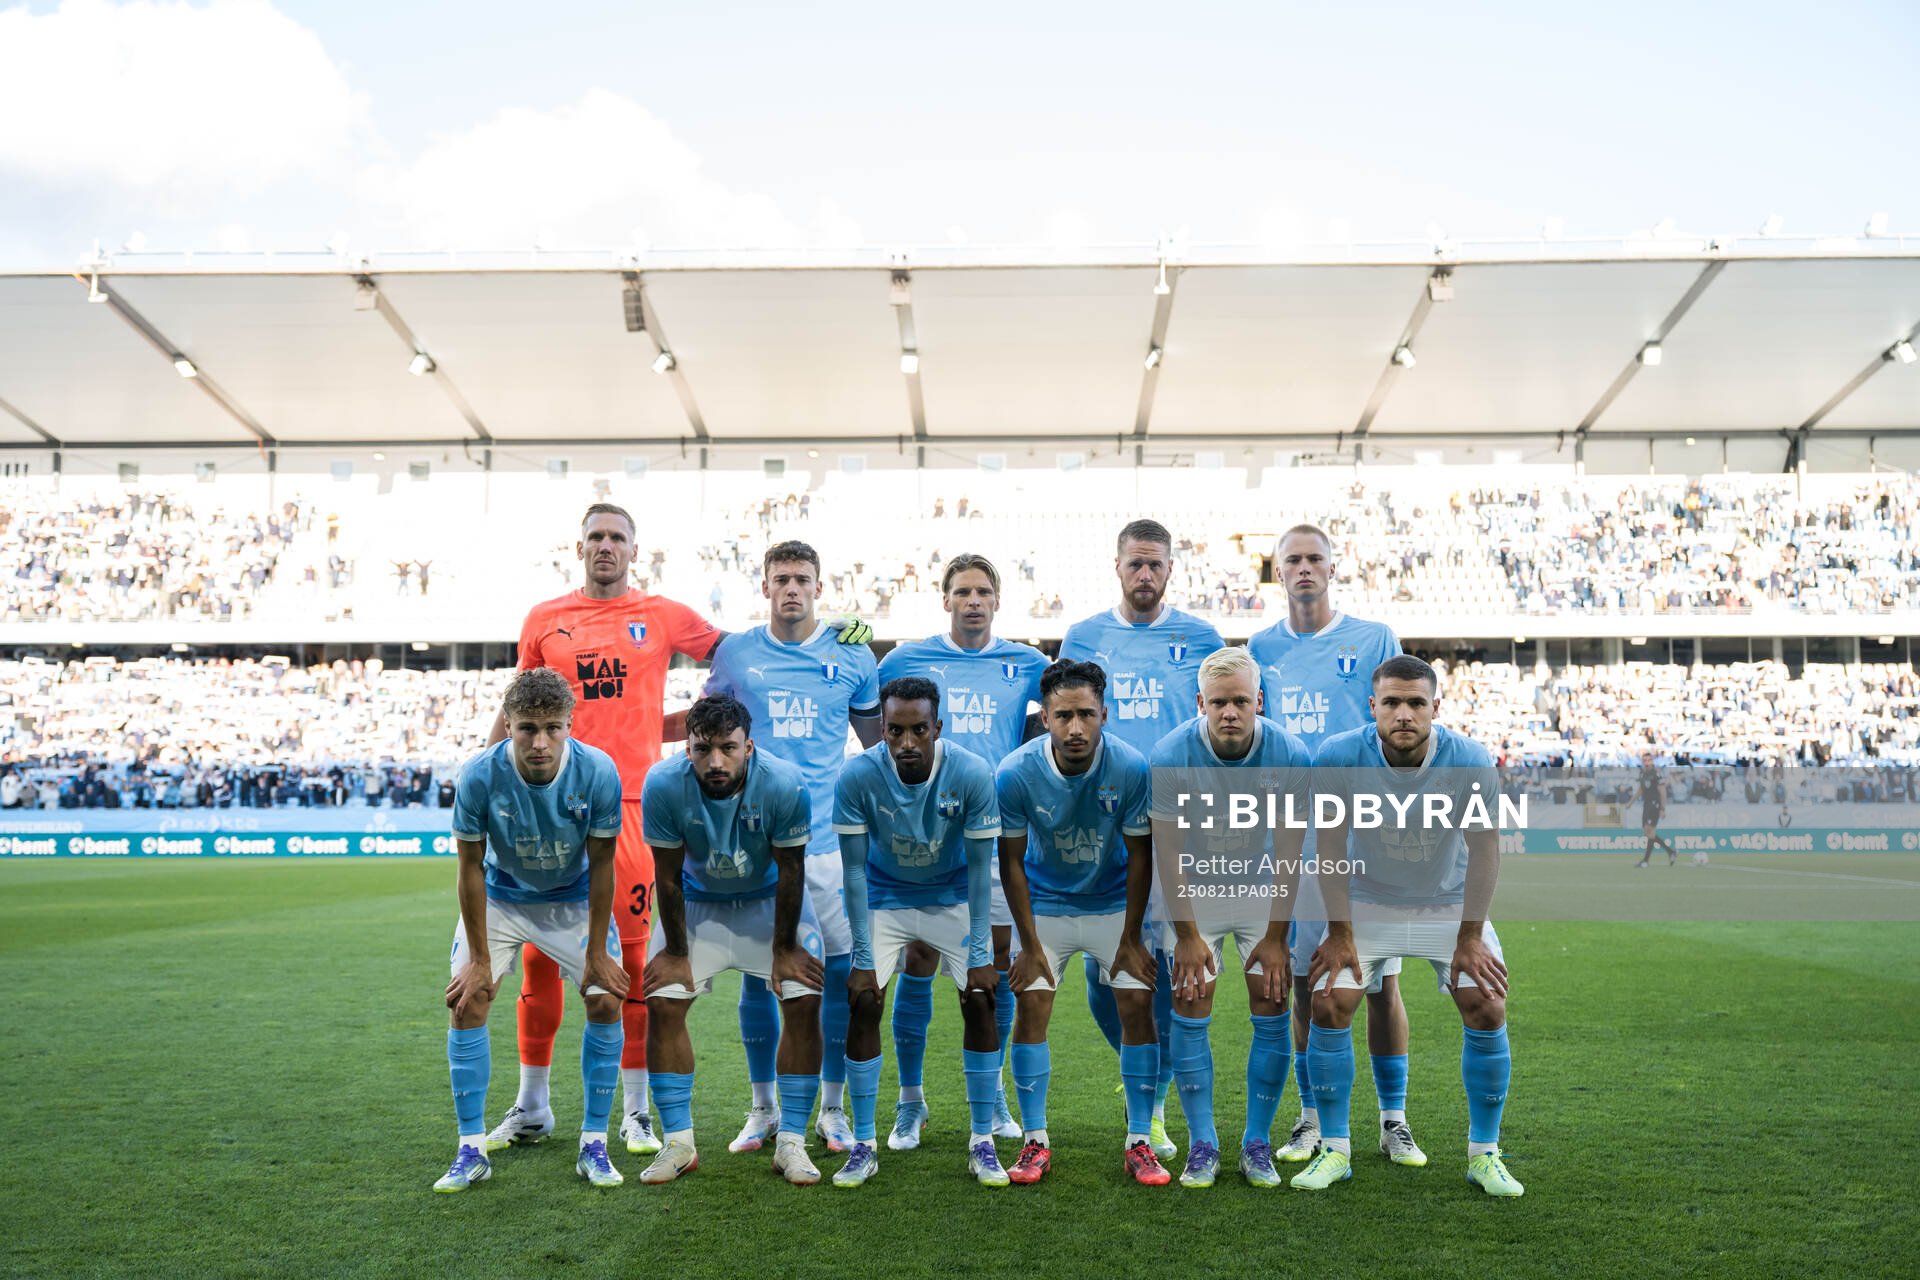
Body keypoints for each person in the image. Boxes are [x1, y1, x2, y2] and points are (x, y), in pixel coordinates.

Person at [486, 509, 874, 1159]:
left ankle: (638, 1112)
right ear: (578, 547)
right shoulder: (542, 618)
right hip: (552, 805)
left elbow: (748, 652)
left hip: (637, 806)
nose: (606, 547)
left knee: (639, 962)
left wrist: (831, 631)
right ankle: (532, 1104)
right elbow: (518, 706)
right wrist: (488, 768)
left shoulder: (665, 615)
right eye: (596, 538)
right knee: (539, 960)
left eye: (617, 538)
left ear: (637, 549)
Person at [1295, 654, 1522, 1197]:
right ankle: (1335, 1148)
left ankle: (1484, 1155)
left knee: (1487, 1002)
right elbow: (1328, 848)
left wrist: (1469, 937)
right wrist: (1341, 933)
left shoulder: (1468, 758)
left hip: (1445, 904)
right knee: (1328, 998)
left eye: (1416, 703)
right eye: (1392, 703)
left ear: (1435, 708)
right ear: (1372, 707)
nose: (1404, 714)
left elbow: (1486, 850)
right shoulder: (1338, 756)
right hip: (1368, 900)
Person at [1247, 523, 1420, 1167]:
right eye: (1292, 560)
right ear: (1278, 572)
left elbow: (1399, 722)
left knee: (1379, 984)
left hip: (1364, 835)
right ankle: (1312, 1117)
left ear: (1333, 567)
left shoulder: (1373, 637)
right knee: (1301, 981)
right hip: (1288, 831)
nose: (1304, 569)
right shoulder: (1260, 645)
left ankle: (1393, 1118)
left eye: (1315, 558)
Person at [705, 540, 882, 1156]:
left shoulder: (853, 653)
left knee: (834, 976)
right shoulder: (736, 653)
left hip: (829, 843)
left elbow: (877, 748)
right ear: (764, 586)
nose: (791, 589)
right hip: (754, 845)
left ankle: (831, 1109)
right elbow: (709, 742)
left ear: (819, 586)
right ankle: (763, 1108)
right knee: (759, 978)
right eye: (780, 578)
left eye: (802, 579)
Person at [1059, 518, 1225, 1159]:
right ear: (1118, 566)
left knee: (1172, 966)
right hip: (1105, 822)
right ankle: (1148, 1079)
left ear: (1171, 569)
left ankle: (1149, 1107)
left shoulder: (1202, 637)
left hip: (1181, 824)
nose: (1146, 575)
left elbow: (1222, 723)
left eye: (1156, 564)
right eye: (1136, 564)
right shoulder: (1084, 637)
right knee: (1107, 974)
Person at [875, 553, 1047, 1147]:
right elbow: (881, 728)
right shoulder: (905, 659)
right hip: (922, 835)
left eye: (983, 591)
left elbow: (1042, 725)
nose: (973, 600)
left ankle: (992, 1094)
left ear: (997, 600)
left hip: (992, 836)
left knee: (992, 970)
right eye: (962, 591)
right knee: (918, 963)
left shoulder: (1025, 663)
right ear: (944, 599)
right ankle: (911, 1101)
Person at [434, 669, 629, 1192]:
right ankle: (469, 1149)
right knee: (468, 1000)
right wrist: (478, 958)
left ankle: (595, 1142)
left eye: (552, 728)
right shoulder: (478, 774)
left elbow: (604, 863)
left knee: (606, 999)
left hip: (572, 899)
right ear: (509, 724)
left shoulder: (598, 771)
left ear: (570, 723)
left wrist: (595, 951)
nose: (539, 742)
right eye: (526, 729)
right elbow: (469, 866)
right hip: (502, 897)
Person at [638, 695, 828, 1186]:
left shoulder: (784, 783)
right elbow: (669, 875)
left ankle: (790, 1142)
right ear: (687, 748)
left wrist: (785, 949)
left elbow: (792, 872)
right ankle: (678, 1143)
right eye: (703, 749)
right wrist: (677, 954)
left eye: (728, 748)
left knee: (804, 997)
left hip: (769, 902)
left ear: (749, 745)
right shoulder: (662, 784)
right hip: (699, 904)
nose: (715, 762)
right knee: (663, 998)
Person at [995, 660, 1166, 1185]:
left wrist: (1134, 937)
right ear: (1044, 717)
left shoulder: (1132, 767)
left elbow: (1143, 856)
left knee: (1138, 1004)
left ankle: (1141, 1139)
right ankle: (1034, 1142)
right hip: (1045, 903)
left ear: (1104, 715)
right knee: (1032, 1004)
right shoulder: (1015, 773)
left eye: (1086, 715)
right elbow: (1011, 863)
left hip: (1115, 900)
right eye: (1063, 715)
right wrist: (1027, 943)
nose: (1075, 728)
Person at [830, 676, 1003, 1187]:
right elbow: (855, 873)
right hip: (886, 895)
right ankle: (863, 1144)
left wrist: (978, 952)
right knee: (863, 1000)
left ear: (937, 728)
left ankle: (982, 1141)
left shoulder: (971, 773)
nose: (906, 743)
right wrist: (864, 957)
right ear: (881, 729)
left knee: (981, 997)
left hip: (951, 893)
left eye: (918, 730)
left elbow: (978, 873)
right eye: (895, 731)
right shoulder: (857, 776)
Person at [1147, 647, 1309, 1188]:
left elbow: (1291, 850)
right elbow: (1166, 855)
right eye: (1218, 702)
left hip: (1263, 893)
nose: (1230, 712)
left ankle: (1257, 1143)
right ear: (1200, 703)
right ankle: (1203, 1144)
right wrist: (1188, 936)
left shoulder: (1289, 752)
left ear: (1259, 701)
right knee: (1190, 1000)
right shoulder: (1171, 753)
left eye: (1241, 700)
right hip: (1195, 890)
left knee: (1273, 998)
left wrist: (1278, 936)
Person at [1634, 751, 1677, 868]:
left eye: (1649, 760)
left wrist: (1662, 808)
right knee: (1648, 832)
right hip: (1646, 804)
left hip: (1655, 804)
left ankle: (1646, 861)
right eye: (1645, 760)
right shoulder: (1643, 774)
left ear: (1652, 761)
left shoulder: (1656, 774)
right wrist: (1630, 802)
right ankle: (1670, 852)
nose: (1647, 763)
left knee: (1649, 831)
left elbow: (1663, 792)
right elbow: (1641, 790)